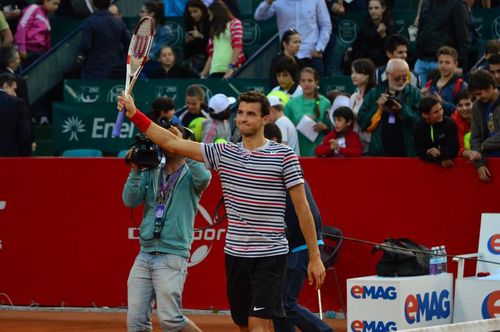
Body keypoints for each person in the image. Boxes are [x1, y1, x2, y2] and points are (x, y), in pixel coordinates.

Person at [117, 90, 325, 332]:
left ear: (265, 119)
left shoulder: (284, 156)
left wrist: (315, 257)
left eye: (251, 114)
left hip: (271, 255)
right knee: (244, 326)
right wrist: (134, 113)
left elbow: (303, 209)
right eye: (241, 114)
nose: (244, 119)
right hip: (235, 255)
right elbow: (171, 143)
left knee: (259, 326)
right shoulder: (225, 153)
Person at [122, 118, 211, 332]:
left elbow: (205, 178)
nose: (167, 143)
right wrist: (135, 170)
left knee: (171, 320)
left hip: (172, 255)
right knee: (135, 323)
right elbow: (130, 200)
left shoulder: (192, 174)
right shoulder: (151, 170)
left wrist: (185, 148)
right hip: (145, 253)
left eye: (172, 139)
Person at [260, 124, 332, 332]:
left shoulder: (281, 165)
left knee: (284, 303)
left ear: (272, 140)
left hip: (300, 247)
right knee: (278, 305)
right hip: (293, 246)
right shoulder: (281, 166)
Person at [357, 58, 422, 156]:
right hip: (380, 151)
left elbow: (421, 122)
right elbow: (362, 121)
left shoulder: (414, 93)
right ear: (387, 74)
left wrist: (402, 110)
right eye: (397, 78)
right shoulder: (374, 93)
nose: (401, 81)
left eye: (405, 78)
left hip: (407, 151)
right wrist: (378, 108)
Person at [254, 0, 331, 76]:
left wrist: (319, 48)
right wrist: (268, 2)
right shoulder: (278, 2)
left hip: (310, 56)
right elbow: (259, 17)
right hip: (287, 58)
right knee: (285, 88)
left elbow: (326, 25)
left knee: (315, 88)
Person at [413, 0, 471, 85]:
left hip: (443, 61)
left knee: (442, 95)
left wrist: (459, 65)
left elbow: (464, 36)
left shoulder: (458, 4)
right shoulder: (425, 3)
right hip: (421, 59)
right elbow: (421, 29)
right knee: (419, 95)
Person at [76, 0, 130, 79]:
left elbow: (86, 45)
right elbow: (128, 43)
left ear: (93, 3)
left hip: (94, 69)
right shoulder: (118, 22)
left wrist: (81, 56)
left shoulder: (89, 22)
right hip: (116, 68)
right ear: (109, 4)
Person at [284, 67, 331, 156]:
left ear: (316, 82)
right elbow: (285, 129)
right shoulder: (291, 104)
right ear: (300, 83)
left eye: (310, 81)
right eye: (303, 81)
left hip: (319, 153)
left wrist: (324, 127)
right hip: (297, 153)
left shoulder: (325, 103)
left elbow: (332, 129)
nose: (306, 84)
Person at [467, 69, 500, 182]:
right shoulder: (477, 106)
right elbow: (475, 136)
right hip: (488, 162)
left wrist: (484, 145)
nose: (477, 98)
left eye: (479, 93)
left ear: (490, 87)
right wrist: (479, 164)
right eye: (475, 95)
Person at [200, 1, 244, 78]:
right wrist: (204, 73)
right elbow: (211, 53)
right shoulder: (213, 29)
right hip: (215, 70)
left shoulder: (235, 23)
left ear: (217, 13)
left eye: (210, 15)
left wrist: (231, 67)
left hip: (231, 71)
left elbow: (238, 47)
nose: (208, 18)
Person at [421, 46, 468, 117]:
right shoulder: (429, 84)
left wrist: (442, 103)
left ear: (455, 64)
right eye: (440, 62)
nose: (443, 66)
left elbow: (464, 110)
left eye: (447, 63)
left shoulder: (461, 85)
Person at [413, 96, 459, 167]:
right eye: (436, 112)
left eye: (441, 109)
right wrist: (440, 159)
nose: (440, 113)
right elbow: (420, 152)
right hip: (427, 167)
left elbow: (454, 149)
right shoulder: (418, 126)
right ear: (425, 115)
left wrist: (441, 152)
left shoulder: (449, 123)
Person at [348, 0, 394, 68]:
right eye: (370, 8)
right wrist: (349, 50)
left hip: (383, 60)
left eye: (376, 8)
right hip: (367, 60)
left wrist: (383, 35)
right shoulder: (365, 25)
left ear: (383, 9)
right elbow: (357, 43)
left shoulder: (389, 25)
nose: (373, 11)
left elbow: (391, 47)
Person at [15, 0, 60, 67]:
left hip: (38, 54)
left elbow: (47, 41)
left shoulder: (47, 20)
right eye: (54, 3)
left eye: (58, 5)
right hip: (27, 51)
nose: (56, 7)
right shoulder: (34, 8)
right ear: (45, 1)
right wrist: (22, 48)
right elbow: (22, 27)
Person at [0, 72, 31, 156]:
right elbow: (24, 132)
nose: (15, 94)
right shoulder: (16, 102)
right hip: (9, 157)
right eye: (14, 89)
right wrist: (26, 155)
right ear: (6, 86)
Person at [349, 58, 376, 153]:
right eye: (352, 72)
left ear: (368, 75)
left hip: (369, 144)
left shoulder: (374, 95)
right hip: (353, 144)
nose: (354, 76)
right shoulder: (353, 96)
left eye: (358, 72)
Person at [182, 0, 210, 74]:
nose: (192, 15)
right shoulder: (190, 24)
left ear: (202, 10)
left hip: (208, 58)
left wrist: (201, 36)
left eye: (195, 11)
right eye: (190, 13)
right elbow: (186, 54)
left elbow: (213, 44)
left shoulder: (210, 23)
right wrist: (187, 42)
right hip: (192, 58)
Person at [451, 90, 474, 159]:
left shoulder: (485, 116)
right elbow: (455, 147)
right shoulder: (453, 122)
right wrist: (467, 153)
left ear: (474, 103)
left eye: (467, 104)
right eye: (460, 105)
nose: (464, 108)